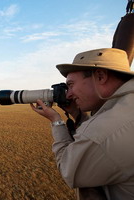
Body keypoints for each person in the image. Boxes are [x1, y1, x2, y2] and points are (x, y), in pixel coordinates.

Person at [31, 48, 134, 200]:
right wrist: (76, 114)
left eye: (71, 85)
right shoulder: (124, 107)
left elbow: (69, 171)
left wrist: (56, 121)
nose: (68, 94)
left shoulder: (108, 128)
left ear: (100, 76)